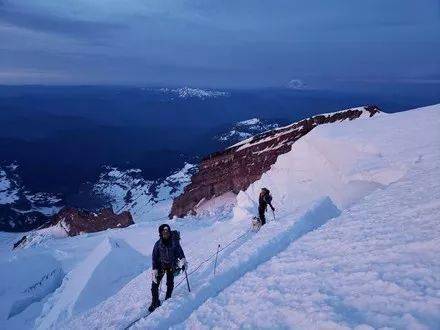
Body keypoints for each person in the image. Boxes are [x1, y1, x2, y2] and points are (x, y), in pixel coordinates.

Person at [148, 224, 187, 312]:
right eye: (164, 232)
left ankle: (168, 298)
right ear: (160, 233)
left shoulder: (174, 242)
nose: (166, 233)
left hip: (171, 266)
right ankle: (155, 302)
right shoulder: (158, 244)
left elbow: (179, 251)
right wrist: (154, 269)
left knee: (169, 283)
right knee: (154, 285)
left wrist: (183, 259)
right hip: (161, 266)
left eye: (167, 231)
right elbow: (154, 257)